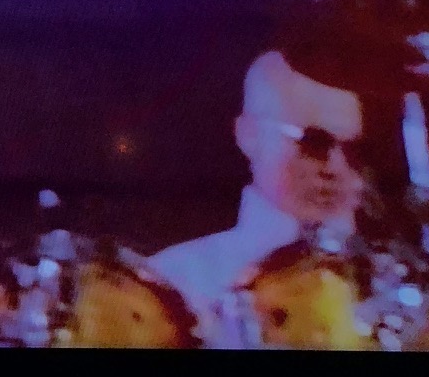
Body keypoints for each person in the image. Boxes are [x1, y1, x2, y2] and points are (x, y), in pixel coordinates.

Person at [149, 50, 369, 348]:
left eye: (352, 150)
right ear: (249, 135)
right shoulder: (173, 285)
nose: (336, 167)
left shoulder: (395, 289)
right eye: (314, 142)